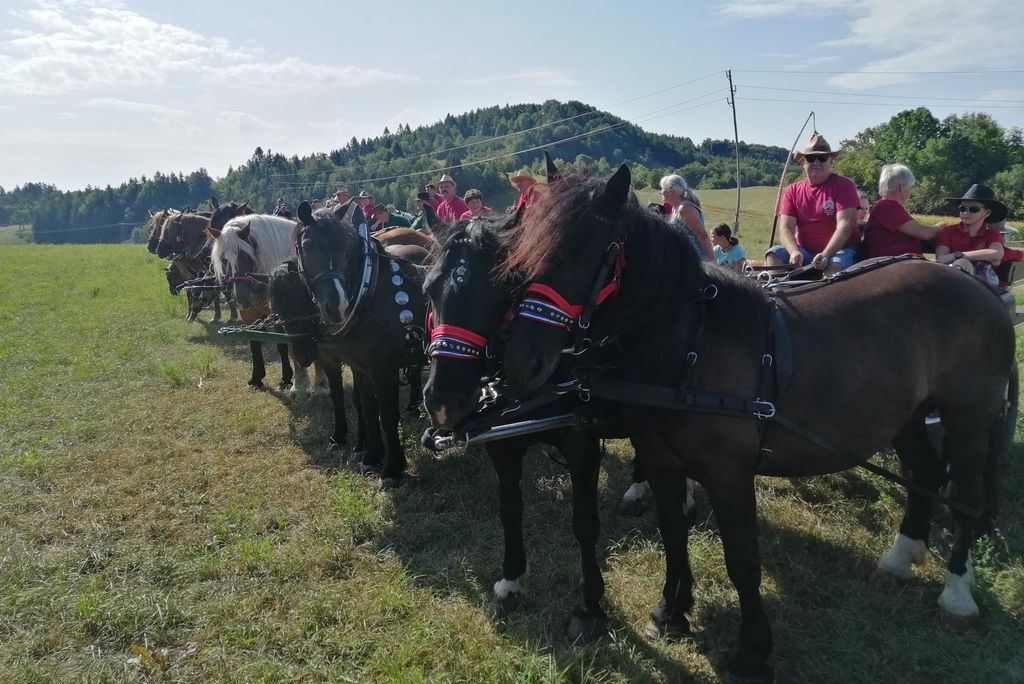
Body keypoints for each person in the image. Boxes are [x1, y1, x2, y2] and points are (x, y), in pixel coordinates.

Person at [765, 134, 860, 277]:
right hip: (805, 252)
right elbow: (785, 228)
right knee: (774, 254)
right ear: (803, 162)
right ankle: (779, 297)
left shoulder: (844, 185)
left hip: (840, 250)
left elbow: (844, 226)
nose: (816, 162)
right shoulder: (792, 191)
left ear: (831, 161)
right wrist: (794, 251)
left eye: (822, 158)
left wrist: (826, 254)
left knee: (834, 268)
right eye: (810, 158)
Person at [935, 184, 1006, 286]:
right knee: (961, 264)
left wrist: (958, 255)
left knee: (962, 263)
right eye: (962, 208)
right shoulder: (948, 231)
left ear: (987, 212)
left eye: (973, 209)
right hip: (951, 277)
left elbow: (996, 253)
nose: (966, 212)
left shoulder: (992, 234)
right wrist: (981, 256)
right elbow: (941, 258)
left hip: (983, 283)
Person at [863, 164, 938, 258]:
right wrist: (938, 228)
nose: (911, 191)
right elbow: (924, 233)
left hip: (901, 261)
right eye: (910, 187)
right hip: (895, 262)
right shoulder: (886, 207)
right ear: (901, 188)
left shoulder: (887, 207)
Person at [659, 174, 714, 261]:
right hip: (685, 260)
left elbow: (703, 236)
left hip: (698, 263)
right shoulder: (674, 209)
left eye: (662, 188)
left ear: (671, 190)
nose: (661, 191)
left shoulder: (685, 209)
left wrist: (713, 263)